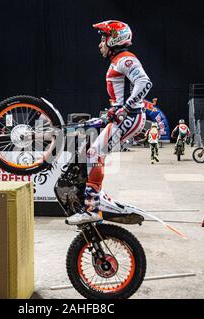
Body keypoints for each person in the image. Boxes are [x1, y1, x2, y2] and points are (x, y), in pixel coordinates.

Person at [67, 20, 152, 225]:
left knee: (95, 153)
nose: (100, 44)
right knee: (93, 152)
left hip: (131, 117)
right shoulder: (117, 61)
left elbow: (144, 82)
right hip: (126, 116)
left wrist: (125, 108)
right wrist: (113, 111)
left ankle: (92, 208)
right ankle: (96, 198)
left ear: (114, 38)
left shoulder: (125, 58)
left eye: (103, 39)